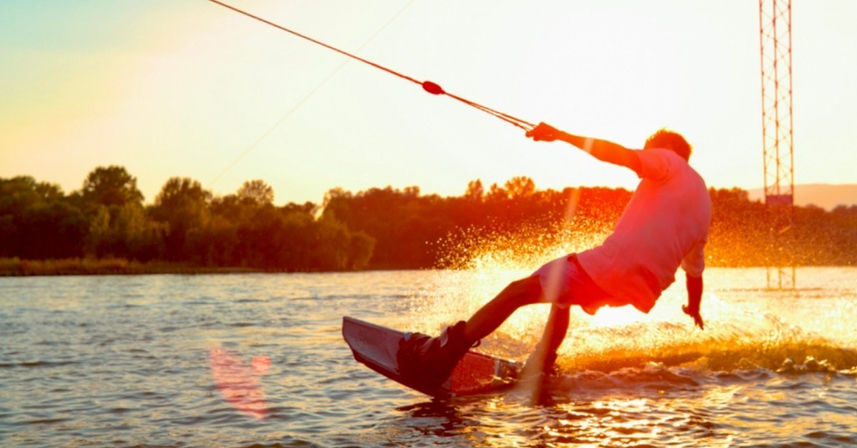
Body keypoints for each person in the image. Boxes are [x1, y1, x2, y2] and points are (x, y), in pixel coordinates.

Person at [398, 122, 712, 389]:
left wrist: (561, 135)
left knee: (516, 292)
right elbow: (694, 272)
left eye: (649, 149)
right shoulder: (703, 205)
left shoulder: (668, 159)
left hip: (612, 267)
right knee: (564, 295)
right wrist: (693, 307)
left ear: (667, 148)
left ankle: (441, 356)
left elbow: (619, 155)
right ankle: (542, 365)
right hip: (639, 289)